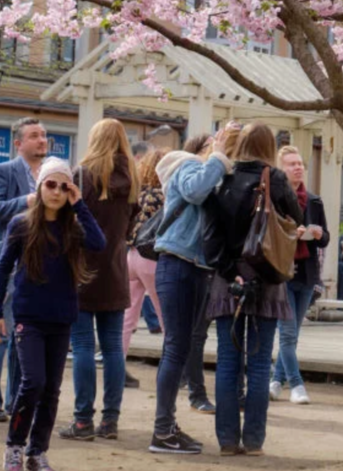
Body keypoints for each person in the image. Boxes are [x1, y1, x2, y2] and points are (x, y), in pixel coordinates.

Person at [0, 158, 105, 471]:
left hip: (61, 317)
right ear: (39, 186)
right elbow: (2, 269)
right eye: (49, 184)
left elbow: (99, 243)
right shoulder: (21, 224)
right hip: (29, 316)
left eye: (62, 186)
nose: (55, 191)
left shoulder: (73, 227)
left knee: (51, 390)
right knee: (33, 383)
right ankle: (14, 447)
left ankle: (37, 451)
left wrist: (79, 204)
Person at [202, 123, 303, 456]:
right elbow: (297, 217)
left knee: (228, 362)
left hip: (226, 280)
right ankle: (255, 440)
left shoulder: (222, 178)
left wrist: (231, 271)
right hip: (267, 278)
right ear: (270, 148)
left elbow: (211, 236)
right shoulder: (274, 179)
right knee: (260, 365)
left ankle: (227, 440)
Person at [148, 124, 234, 455]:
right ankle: (161, 432)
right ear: (206, 146)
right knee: (175, 348)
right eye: (221, 144)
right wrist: (219, 156)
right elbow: (196, 192)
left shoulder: (212, 170)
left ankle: (167, 427)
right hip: (178, 264)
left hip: (196, 267)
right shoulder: (187, 164)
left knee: (182, 348)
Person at [59, 118, 138, 442]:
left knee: (82, 347)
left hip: (82, 268)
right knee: (113, 350)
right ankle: (110, 421)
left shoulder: (82, 174)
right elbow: (131, 224)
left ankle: (82, 420)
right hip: (115, 269)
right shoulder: (131, 178)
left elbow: (68, 219)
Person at [0, 117, 48, 423]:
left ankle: (17, 401)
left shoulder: (51, 174)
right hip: (6, 265)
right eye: (34, 136)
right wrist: (26, 201)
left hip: (37, 268)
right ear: (18, 144)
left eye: (44, 135)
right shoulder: (3, 170)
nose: (42, 140)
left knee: (26, 338)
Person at [270, 144, 329, 405]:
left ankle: (275, 380)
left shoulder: (314, 201)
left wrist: (317, 235)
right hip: (283, 273)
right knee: (288, 334)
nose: (297, 168)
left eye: (300, 164)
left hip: (307, 274)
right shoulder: (274, 199)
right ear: (280, 170)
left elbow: (325, 238)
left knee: (292, 334)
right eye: (291, 164)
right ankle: (296, 385)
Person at [179, 133, 220, 416]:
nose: (218, 150)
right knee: (192, 334)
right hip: (188, 261)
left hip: (211, 263)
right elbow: (195, 193)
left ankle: (189, 380)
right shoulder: (191, 171)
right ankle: (196, 391)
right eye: (211, 146)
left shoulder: (219, 176)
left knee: (196, 333)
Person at [122, 149, 167, 386]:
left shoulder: (138, 193)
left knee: (127, 318)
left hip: (131, 256)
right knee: (166, 317)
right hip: (152, 258)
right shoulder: (165, 194)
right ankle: (173, 369)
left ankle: (116, 366)